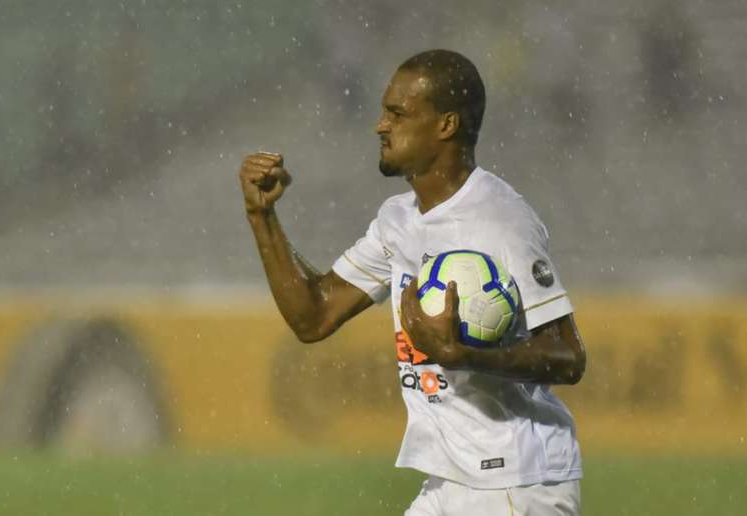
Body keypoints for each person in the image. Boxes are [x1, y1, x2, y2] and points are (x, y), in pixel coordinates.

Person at [238, 49, 586, 516]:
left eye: (397, 114)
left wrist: (462, 355)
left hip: (515, 483)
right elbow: (313, 316)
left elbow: (568, 357)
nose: (380, 126)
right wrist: (262, 216)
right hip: (451, 481)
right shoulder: (397, 220)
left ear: (445, 125)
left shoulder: (501, 219)